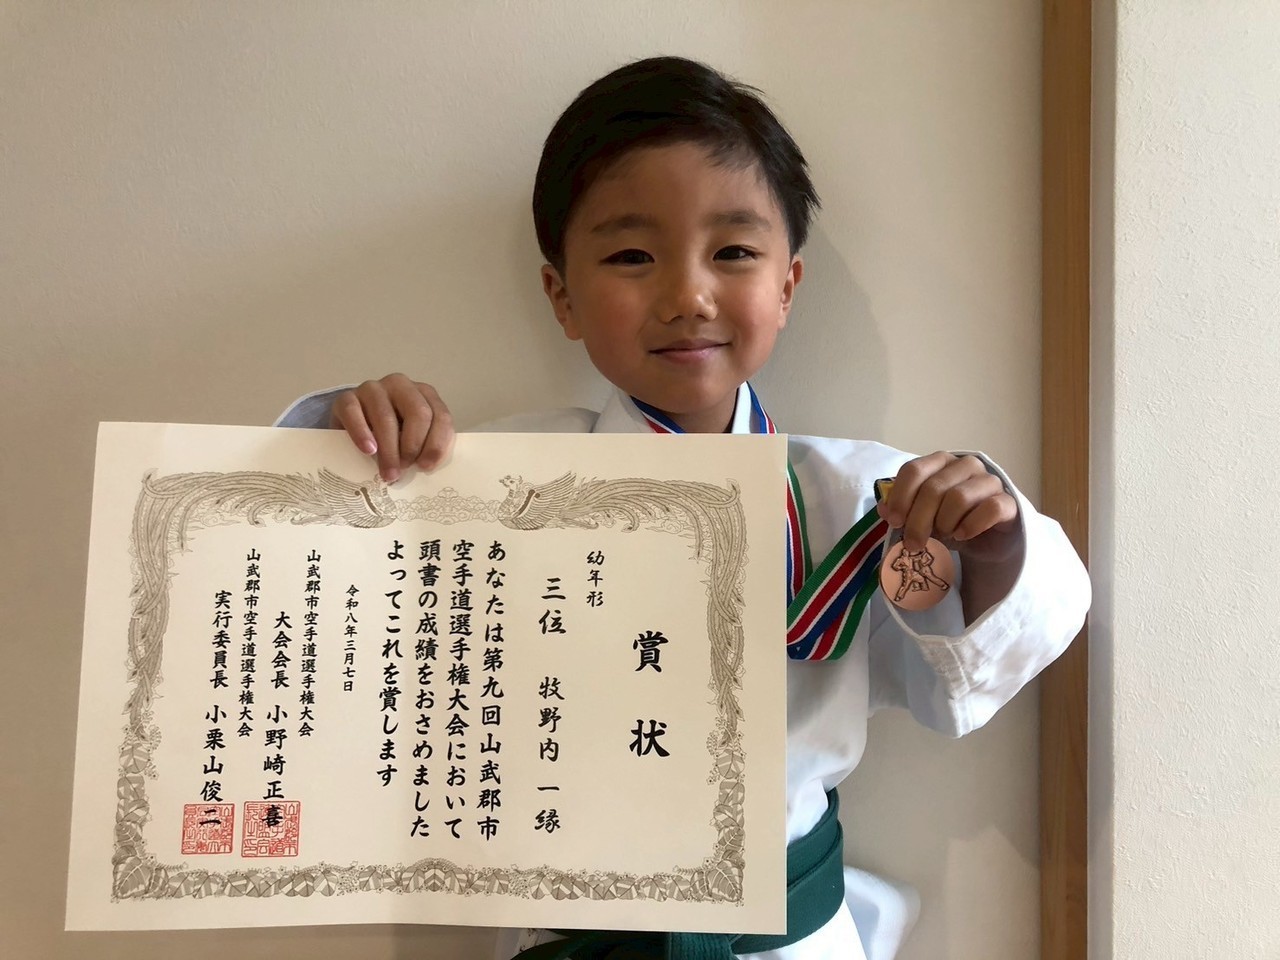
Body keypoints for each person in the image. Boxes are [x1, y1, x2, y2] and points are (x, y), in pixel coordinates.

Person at [276, 56, 1090, 960]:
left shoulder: (864, 497)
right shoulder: (486, 480)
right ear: (563, 296)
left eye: (733, 252)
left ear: (787, 285)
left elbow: (983, 661)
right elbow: (309, 598)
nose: (688, 296)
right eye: (632, 256)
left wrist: (993, 543)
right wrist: (363, 440)